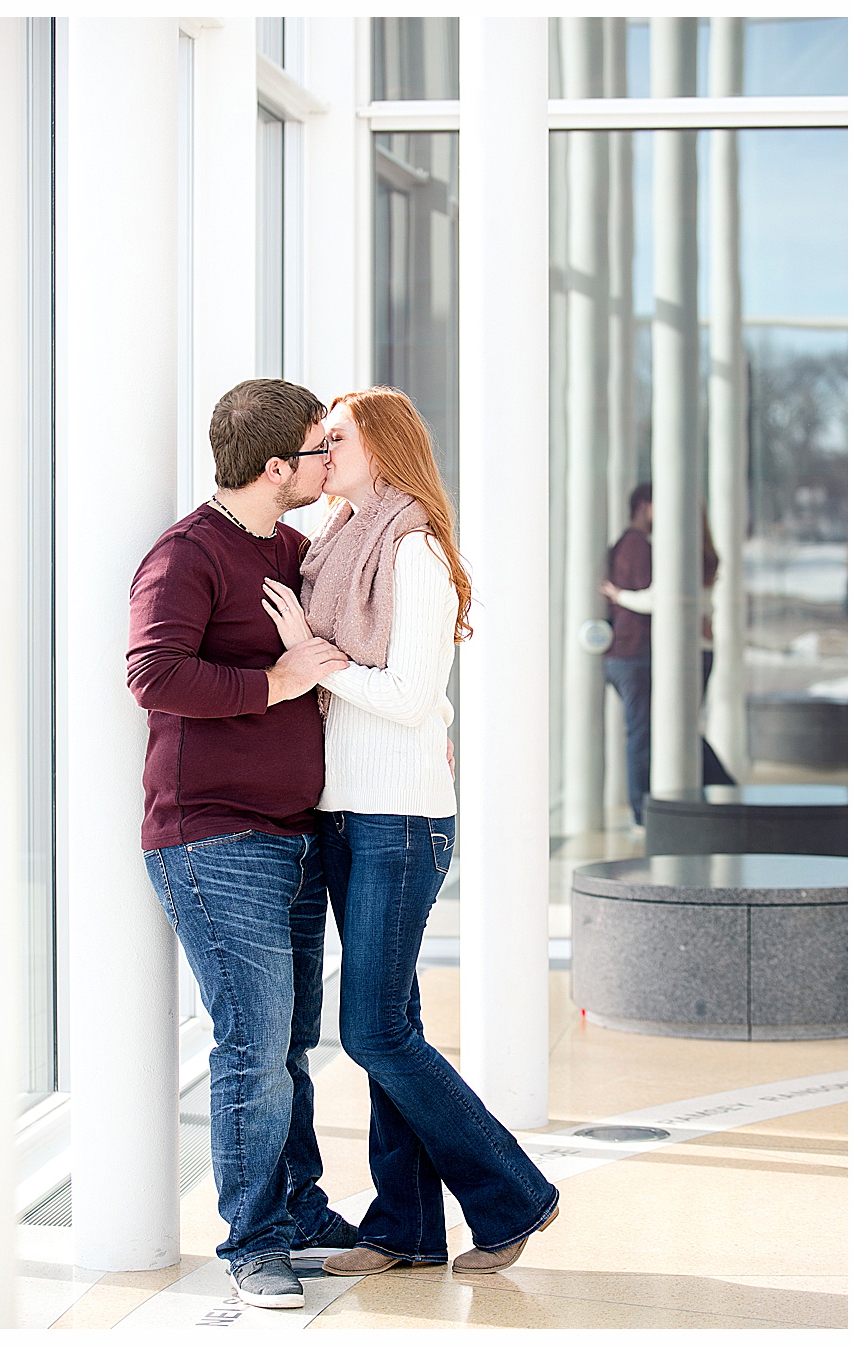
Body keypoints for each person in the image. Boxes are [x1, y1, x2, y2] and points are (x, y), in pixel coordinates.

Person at [261, 386, 561, 1277]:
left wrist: (319, 660)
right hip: (348, 818)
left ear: (382, 450)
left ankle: (513, 1196)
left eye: (337, 440)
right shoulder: (333, 550)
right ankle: (406, 1228)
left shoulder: (414, 550)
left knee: (375, 1033)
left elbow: (411, 696)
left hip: (400, 821)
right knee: (395, 1020)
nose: (322, 454)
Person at [129, 378, 360, 1310]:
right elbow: (152, 674)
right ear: (277, 467)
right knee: (253, 1045)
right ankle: (254, 1242)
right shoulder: (186, 555)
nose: (327, 464)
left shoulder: (294, 548)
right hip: (213, 836)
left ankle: (298, 1212)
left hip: (297, 835)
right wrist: (277, 681)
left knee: (294, 1040)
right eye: (318, 450)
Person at [600, 483, 735, 827]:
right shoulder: (696, 548)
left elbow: (663, 599)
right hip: (696, 650)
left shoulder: (680, 550)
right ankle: (722, 794)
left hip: (690, 651)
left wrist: (619, 596)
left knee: (674, 729)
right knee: (678, 728)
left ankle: (719, 796)